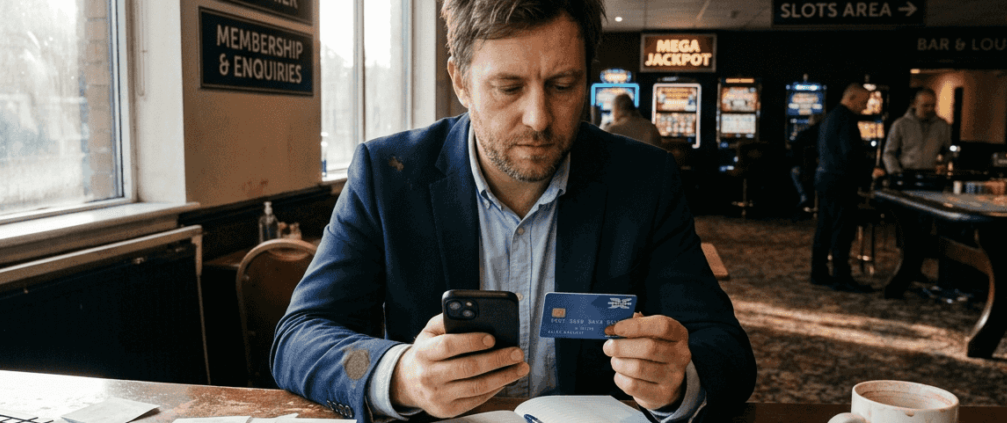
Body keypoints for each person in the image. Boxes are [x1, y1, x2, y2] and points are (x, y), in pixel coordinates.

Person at [270, 1, 757, 422]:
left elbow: (727, 350)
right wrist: (400, 376)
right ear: (460, 80)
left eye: (563, 85)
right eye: (508, 87)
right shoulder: (388, 175)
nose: (539, 119)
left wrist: (678, 379)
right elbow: (299, 339)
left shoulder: (643, 181)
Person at [811, 83, 882, 293]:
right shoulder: (847, 118)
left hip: (824, 177)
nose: (865, 107)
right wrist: (870, 171)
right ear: (851, 98)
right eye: (863, 102)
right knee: (842, 231)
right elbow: (850, 153)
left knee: (824, 228)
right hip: (840, 181)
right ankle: (841, 277)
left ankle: (819, 273)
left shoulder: (831, 116)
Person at [882, 88, 952, 175]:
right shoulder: (900, 124)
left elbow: (948, 151)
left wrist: (943, 165)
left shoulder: (942, 125)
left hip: (931, 175)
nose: (930, 109)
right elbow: (888, 153)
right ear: (914, 104)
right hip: (906, 173)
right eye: (925, 105)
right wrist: (895, 173)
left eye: (933, 105)